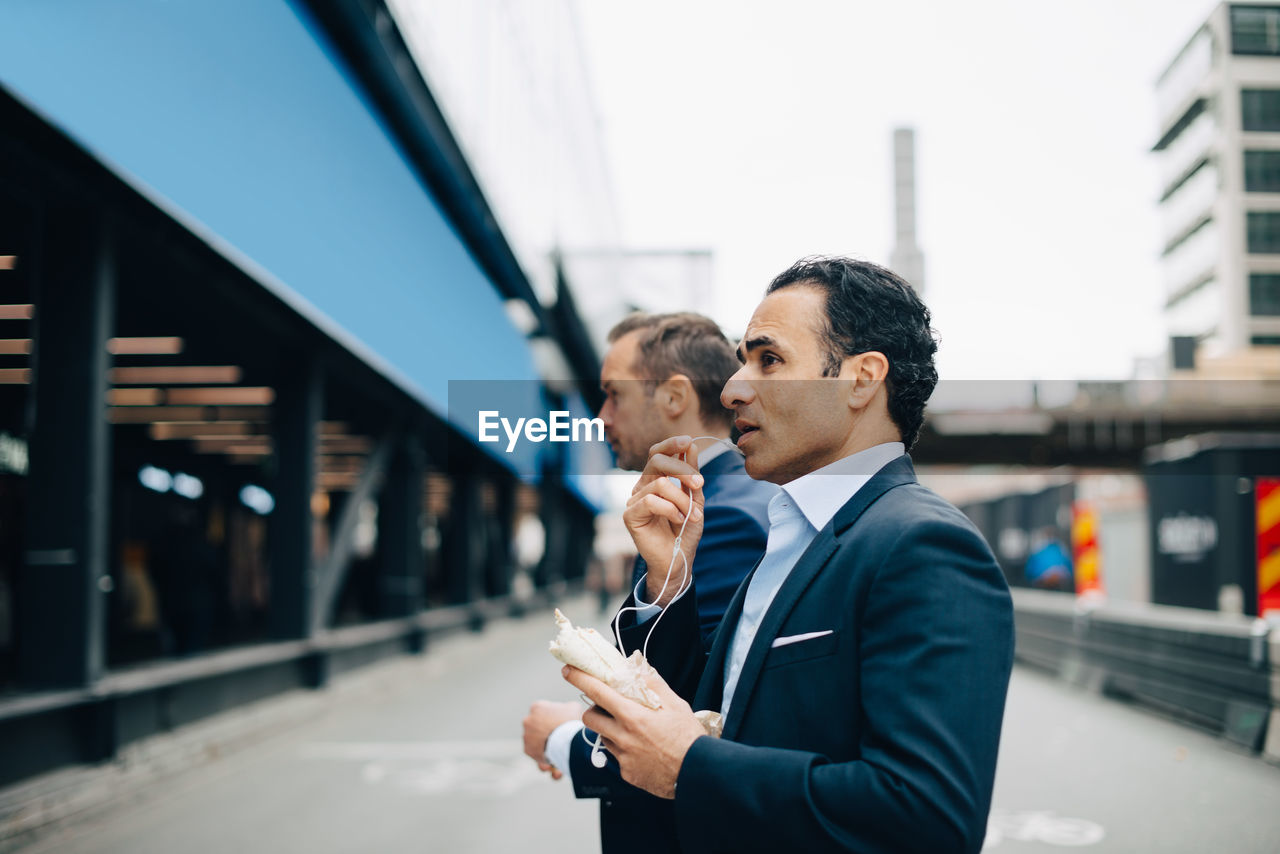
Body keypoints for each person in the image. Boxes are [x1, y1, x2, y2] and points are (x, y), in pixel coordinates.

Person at [563, 257, 1015, 854]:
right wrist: (669, 580)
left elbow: (928, 817)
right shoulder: (794, 530)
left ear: (861, 379)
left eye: (768, 360)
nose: (732, 388)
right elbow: (712, 709)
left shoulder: (923, 546)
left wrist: (691, 767)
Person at [522, 312, 775, 854]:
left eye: (614, 394)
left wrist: (570, 739)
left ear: (675, 397)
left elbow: (698, 716)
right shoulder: (709, 500)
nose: (602, 416)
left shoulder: (722, 515)